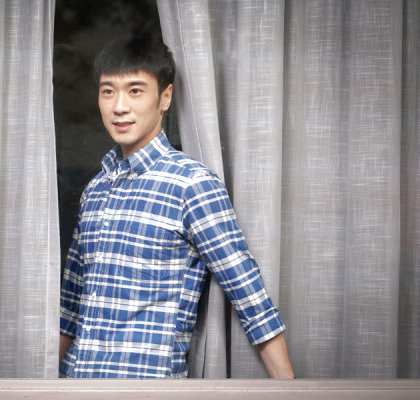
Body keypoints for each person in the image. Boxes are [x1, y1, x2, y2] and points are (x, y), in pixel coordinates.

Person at [59, 34, 295, 379]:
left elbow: (251, 299)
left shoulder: (192, 185)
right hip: (75, 383)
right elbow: (70, 306)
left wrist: (292, 391)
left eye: (135, 91)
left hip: (148, 388)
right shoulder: (95, 190)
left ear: (165, 97)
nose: (119, 106)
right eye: (108, 91)